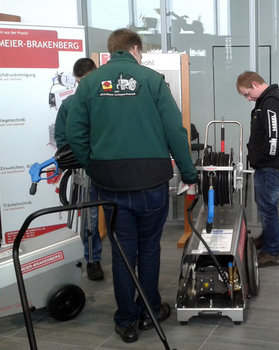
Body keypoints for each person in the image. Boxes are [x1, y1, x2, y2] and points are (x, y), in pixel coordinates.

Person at [66, 28, 197, 343]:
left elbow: (74, 133)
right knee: (149, 248)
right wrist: (189, 174)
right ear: (136, 49)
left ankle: (126, 320)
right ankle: (149, 311)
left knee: (122, 252)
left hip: (109, 185)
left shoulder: (90, 84)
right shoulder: (152, 81)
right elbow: (175, 132)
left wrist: (93, 165)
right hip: (151, 181)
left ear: (112, 52)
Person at [236, 71, 279, 267]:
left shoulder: (271, 103)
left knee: (268, 207)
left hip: (272, 166)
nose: (248, 98)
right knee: (264, 204)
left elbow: (274, 139)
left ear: (254, 83)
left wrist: (262, 160)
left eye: (247, 93)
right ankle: (267, 238)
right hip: (269, 165)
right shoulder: (268, 101)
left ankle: (272, 251)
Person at [54, 58, 104, 281]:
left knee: (118, 216)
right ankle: (92, 259)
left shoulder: (106, 101)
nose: (82, 85)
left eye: (85, 80)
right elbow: (62, 138)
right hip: (84, 169)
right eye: (79, 82)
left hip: (110, 167)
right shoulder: (69, 104)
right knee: (89, 217)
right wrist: (76, 157)